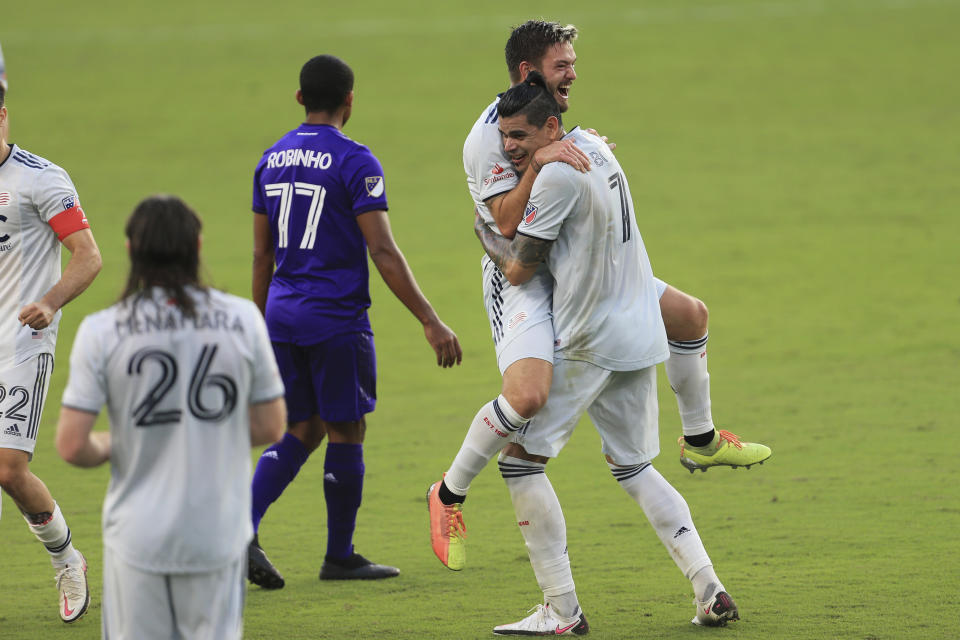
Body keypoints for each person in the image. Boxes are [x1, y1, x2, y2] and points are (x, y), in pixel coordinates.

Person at [427, 19, 770, 571]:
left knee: (688, 316)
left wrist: (572, 148)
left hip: (582, 271)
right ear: (528, 71)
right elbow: (507, 230)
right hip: (523, 272)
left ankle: (702, 440)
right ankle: (447, 494)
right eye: (561, 65)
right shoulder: (488, 140)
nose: (572, 73)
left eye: (571, 63)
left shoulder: (560, 129)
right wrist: (537, 161)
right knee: (528, 398)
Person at [479, 72, 740, 635]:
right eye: (505, 138)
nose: (511, 148)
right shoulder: (595, 146)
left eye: (521, 136)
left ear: (552, 129)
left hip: (589, 338)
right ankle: (708, 586)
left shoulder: (554, 180)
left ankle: (562, 612)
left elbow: (519, 266)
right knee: (633, 466)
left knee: (520, 461)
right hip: (637, 331)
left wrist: (486, 231)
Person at [247, 54, 463, 588]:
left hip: (281, 314)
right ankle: (338, 556)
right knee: (347, 427)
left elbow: (261, 256)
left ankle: (239, 529)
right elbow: (383, 250)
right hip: (334, 317)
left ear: (299, 98)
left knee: (304, 425)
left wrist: (257, 323)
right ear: (350, 100)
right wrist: (430, 320)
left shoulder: (270, 158)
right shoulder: (355, 161)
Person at [55, 195, 286, 639]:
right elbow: (271, 426)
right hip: (216, 531)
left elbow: (71, 445)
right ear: (198, 248)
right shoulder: (242, 319)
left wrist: (117, 442)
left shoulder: (102, 330)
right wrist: (204, 433)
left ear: (129, 251)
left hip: (138, 535)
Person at [0, 82, 102, 623]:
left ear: (3, 117)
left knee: (9, 469)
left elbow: (88, 257)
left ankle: (67, 561)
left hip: (21, 344)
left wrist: (49, 300)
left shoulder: (41, 180)